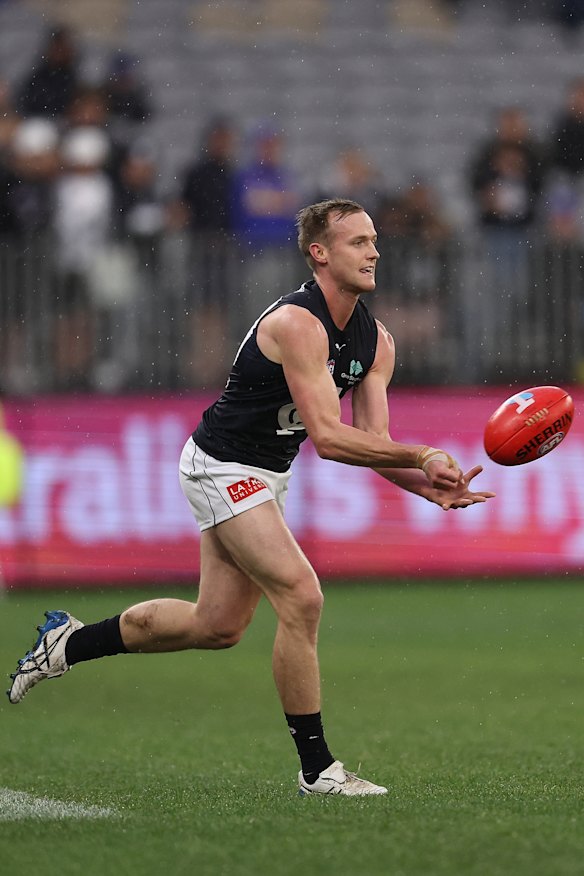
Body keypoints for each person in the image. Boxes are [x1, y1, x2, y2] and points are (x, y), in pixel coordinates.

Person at [7, 198, 495, 796]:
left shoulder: (377, 341)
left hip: (264, 475)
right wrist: (422, 456)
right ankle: (318, 769)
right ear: (319, 254)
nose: (374, 251)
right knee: (302, 596)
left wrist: (430, 488)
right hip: (221, 466)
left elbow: (372, 442)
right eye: (357, 242)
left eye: (374, 240)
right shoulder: (296, 324)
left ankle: (67, 643)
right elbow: (329, 438)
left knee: (217, 626)